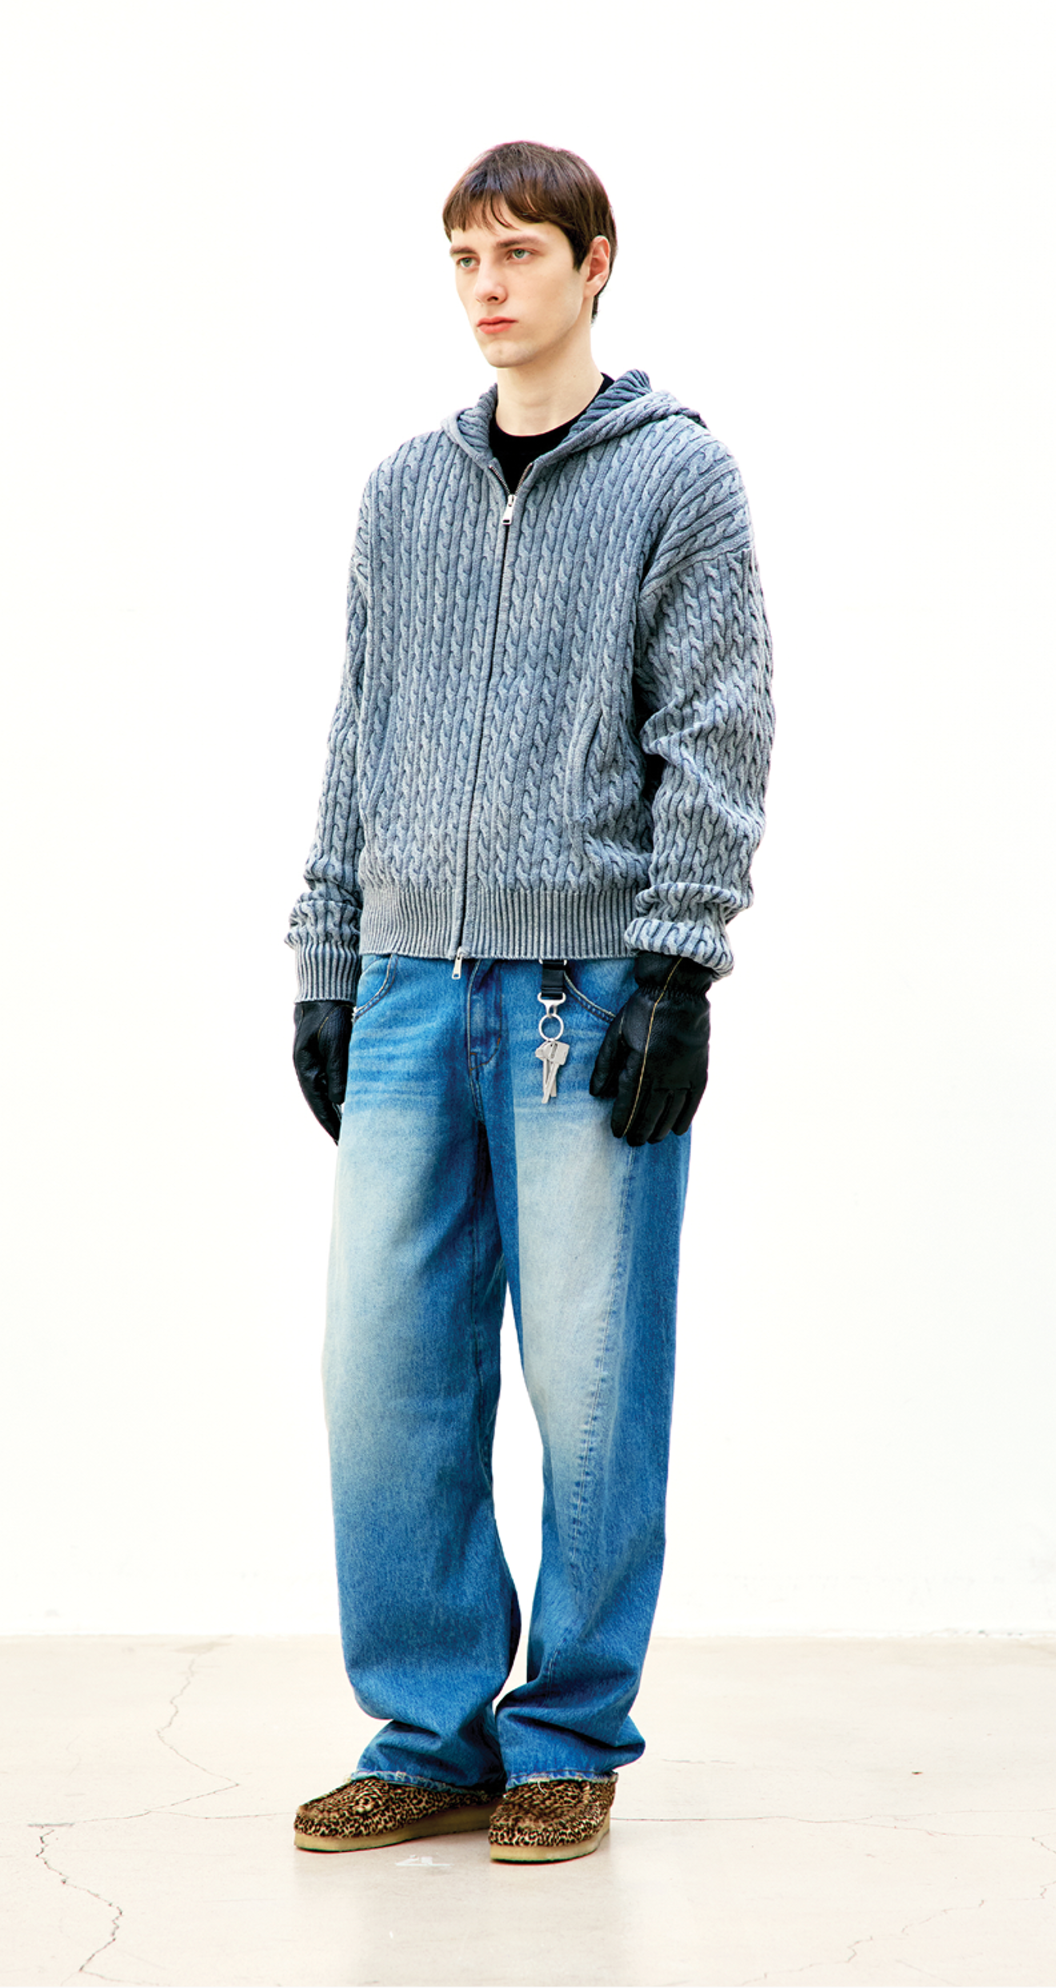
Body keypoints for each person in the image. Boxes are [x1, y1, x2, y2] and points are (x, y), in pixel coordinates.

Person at [286, 140, 774, 1865]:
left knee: (589, 1378)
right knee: (385, 1378)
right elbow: (356, 734)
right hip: (409, 991)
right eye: (463, 258)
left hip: (586, 996)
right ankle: (430, 1732)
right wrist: (327, 956)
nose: (488, 287)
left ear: (594, 263)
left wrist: (680, 964)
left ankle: (565, 1734)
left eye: (518, 254)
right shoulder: (402, 492)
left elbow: (715, 725)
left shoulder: (677, 479)